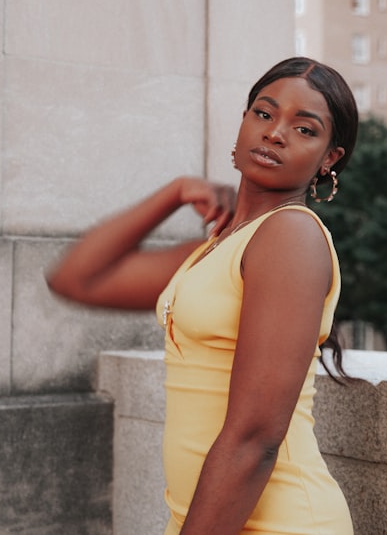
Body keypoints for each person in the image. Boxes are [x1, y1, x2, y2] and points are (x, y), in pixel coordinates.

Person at [47, 57, 358, 534]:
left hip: (279, 524)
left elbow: (255, 438)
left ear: (329, 157)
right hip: (206, 518)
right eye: (263, 113)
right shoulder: (218, 249)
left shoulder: (290, 236)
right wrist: (176, 191)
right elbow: (75, 278)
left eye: (304, 128)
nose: (275, 133)